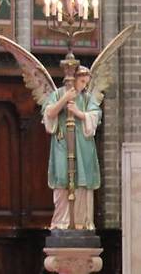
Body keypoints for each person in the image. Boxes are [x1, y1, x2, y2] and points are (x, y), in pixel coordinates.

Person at [41, 65, 101, 230]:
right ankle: (62, 222)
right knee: (62, 180)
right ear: (73, 79)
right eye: (82, 81)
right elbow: (49, 114)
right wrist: (64, 99)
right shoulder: (58, 94)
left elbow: (95, 116)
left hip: (83, 146)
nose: (84, 86)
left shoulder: (88, 98)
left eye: (86, 82)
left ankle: (81, 222)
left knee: (82, 182)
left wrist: (77, 112)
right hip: (63, 144)